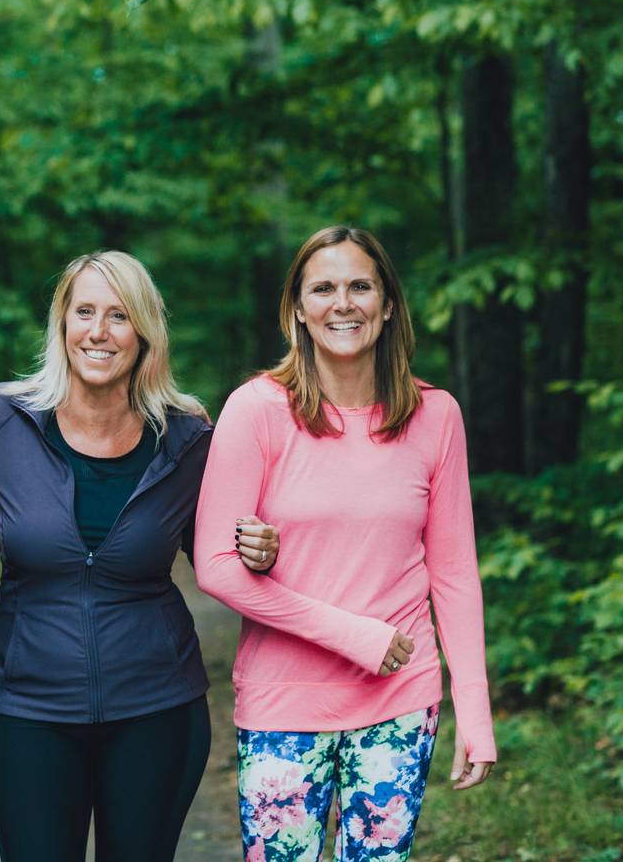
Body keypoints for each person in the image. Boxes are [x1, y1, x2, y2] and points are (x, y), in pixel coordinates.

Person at [0, 251, 279, 862]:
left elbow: (217, 551)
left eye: (119, 316)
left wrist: (260, 550)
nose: (99, 331)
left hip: (158, 707)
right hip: (27, 708)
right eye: (84, 311)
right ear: (62, 324)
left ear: (144, 333)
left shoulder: (187, 438)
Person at [195, 225, 497, 862]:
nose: (343, 303)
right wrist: (355, 635)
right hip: (283, 700)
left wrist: (474, 708)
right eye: (323, 288)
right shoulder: (256, 409)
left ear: (387, 305)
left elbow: (454, 574)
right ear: (298, 310)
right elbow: (216, 567)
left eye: (361, 286)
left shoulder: (436, 415)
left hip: (400, 700)